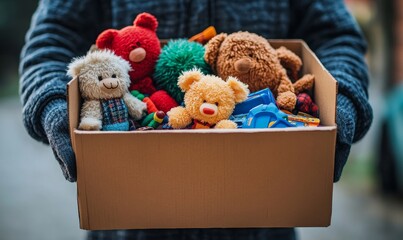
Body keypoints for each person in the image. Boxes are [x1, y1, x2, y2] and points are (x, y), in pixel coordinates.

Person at [19, 0, 373, 239]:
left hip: (263, 223)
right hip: (127, 225)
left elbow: (336, 36)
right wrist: (53, 103)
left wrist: (339, 102)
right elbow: (51, 38)